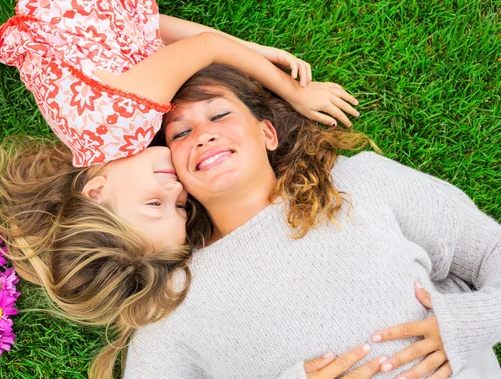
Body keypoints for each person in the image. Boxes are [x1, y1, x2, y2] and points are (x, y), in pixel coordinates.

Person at [0, 0, 361, 378]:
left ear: (96, 192)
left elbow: (206, 48)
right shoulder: (90, 145)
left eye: (154, 203)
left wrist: (295, 93)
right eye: (179, 207)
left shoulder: (127, 120)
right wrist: (252, 53)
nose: (176, 188)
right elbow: (139, 27)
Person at [123, 64, 501, 378]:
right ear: (175, 172)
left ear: (267, 133)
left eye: (220, 114)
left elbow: (490, 250)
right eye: (181, 133)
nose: (204, 135)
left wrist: (470, 322)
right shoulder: (173, 298)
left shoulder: (360, 183)